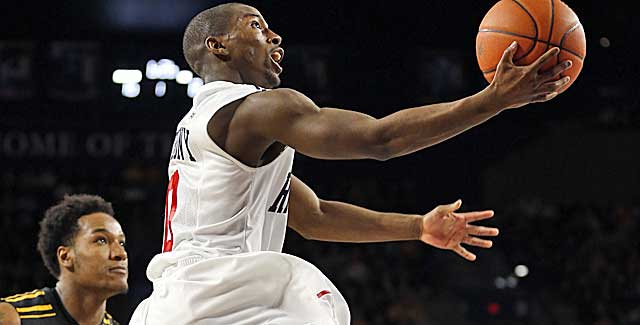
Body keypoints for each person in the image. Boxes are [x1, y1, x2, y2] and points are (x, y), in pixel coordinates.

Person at [130, 2, 573, 324]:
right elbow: (380, 139)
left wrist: (417, 227)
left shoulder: (199, 123)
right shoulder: (257, 109)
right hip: (222, 298)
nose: (275, 36)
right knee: (313, 298)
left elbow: (314, 215)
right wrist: (492, 101)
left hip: (175, 303)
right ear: (218, 46)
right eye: (257, 26)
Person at [0, 194, 128, 325]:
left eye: (121, 243)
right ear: (65, 257)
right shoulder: (12, 316)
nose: (121, 254)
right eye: (101, 240)